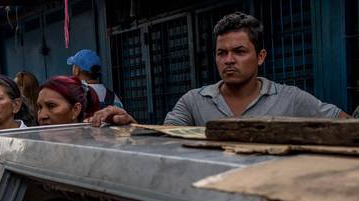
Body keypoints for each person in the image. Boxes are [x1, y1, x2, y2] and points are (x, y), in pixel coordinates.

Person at [89, 12, 349, 127]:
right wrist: (131, 123)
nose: (229, 60)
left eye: (239, 52)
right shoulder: (193, 101)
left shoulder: (290, 99)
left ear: (260, 57)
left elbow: (344, 124)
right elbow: (164, 139)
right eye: (221, 53)